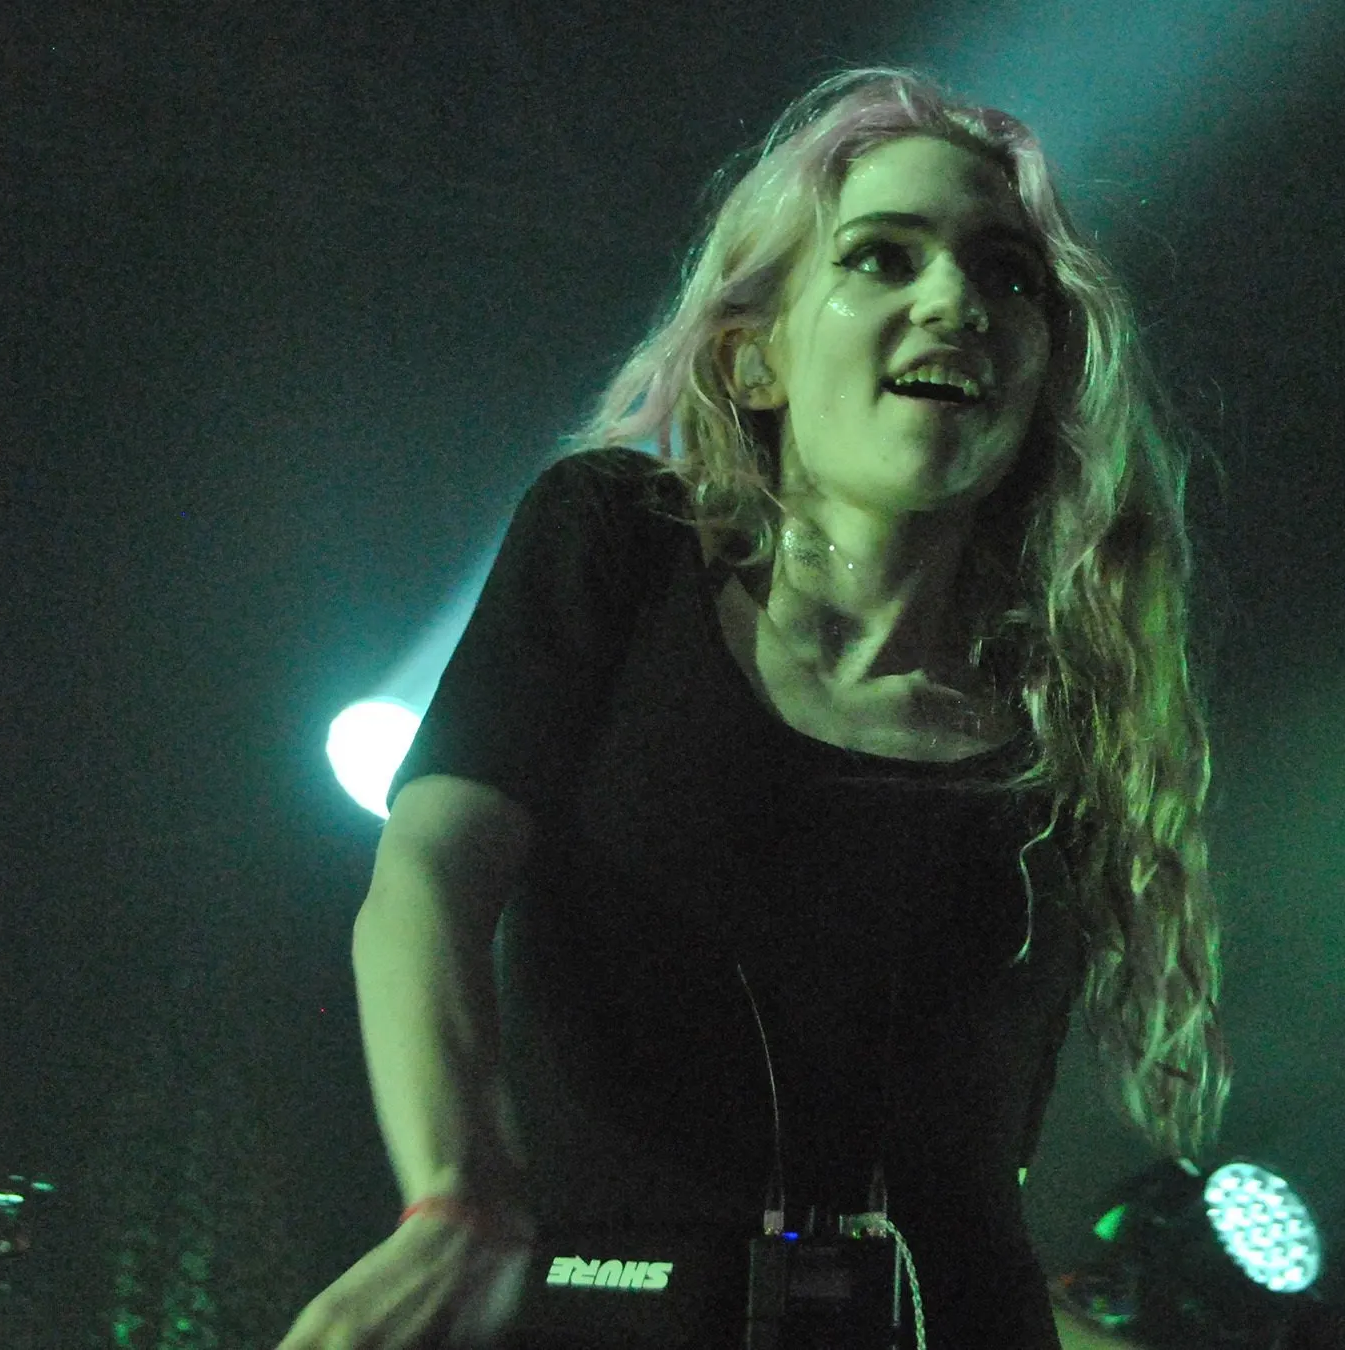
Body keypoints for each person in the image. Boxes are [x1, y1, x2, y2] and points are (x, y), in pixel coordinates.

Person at [277, 66, 1228, 1350]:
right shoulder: (618, 543)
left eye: (1005, 275)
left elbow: (984, 1172)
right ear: (755, 354)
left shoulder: (1076, 707)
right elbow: (429, 877)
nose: (953, 299)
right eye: (883, 258)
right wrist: (460, 1193)